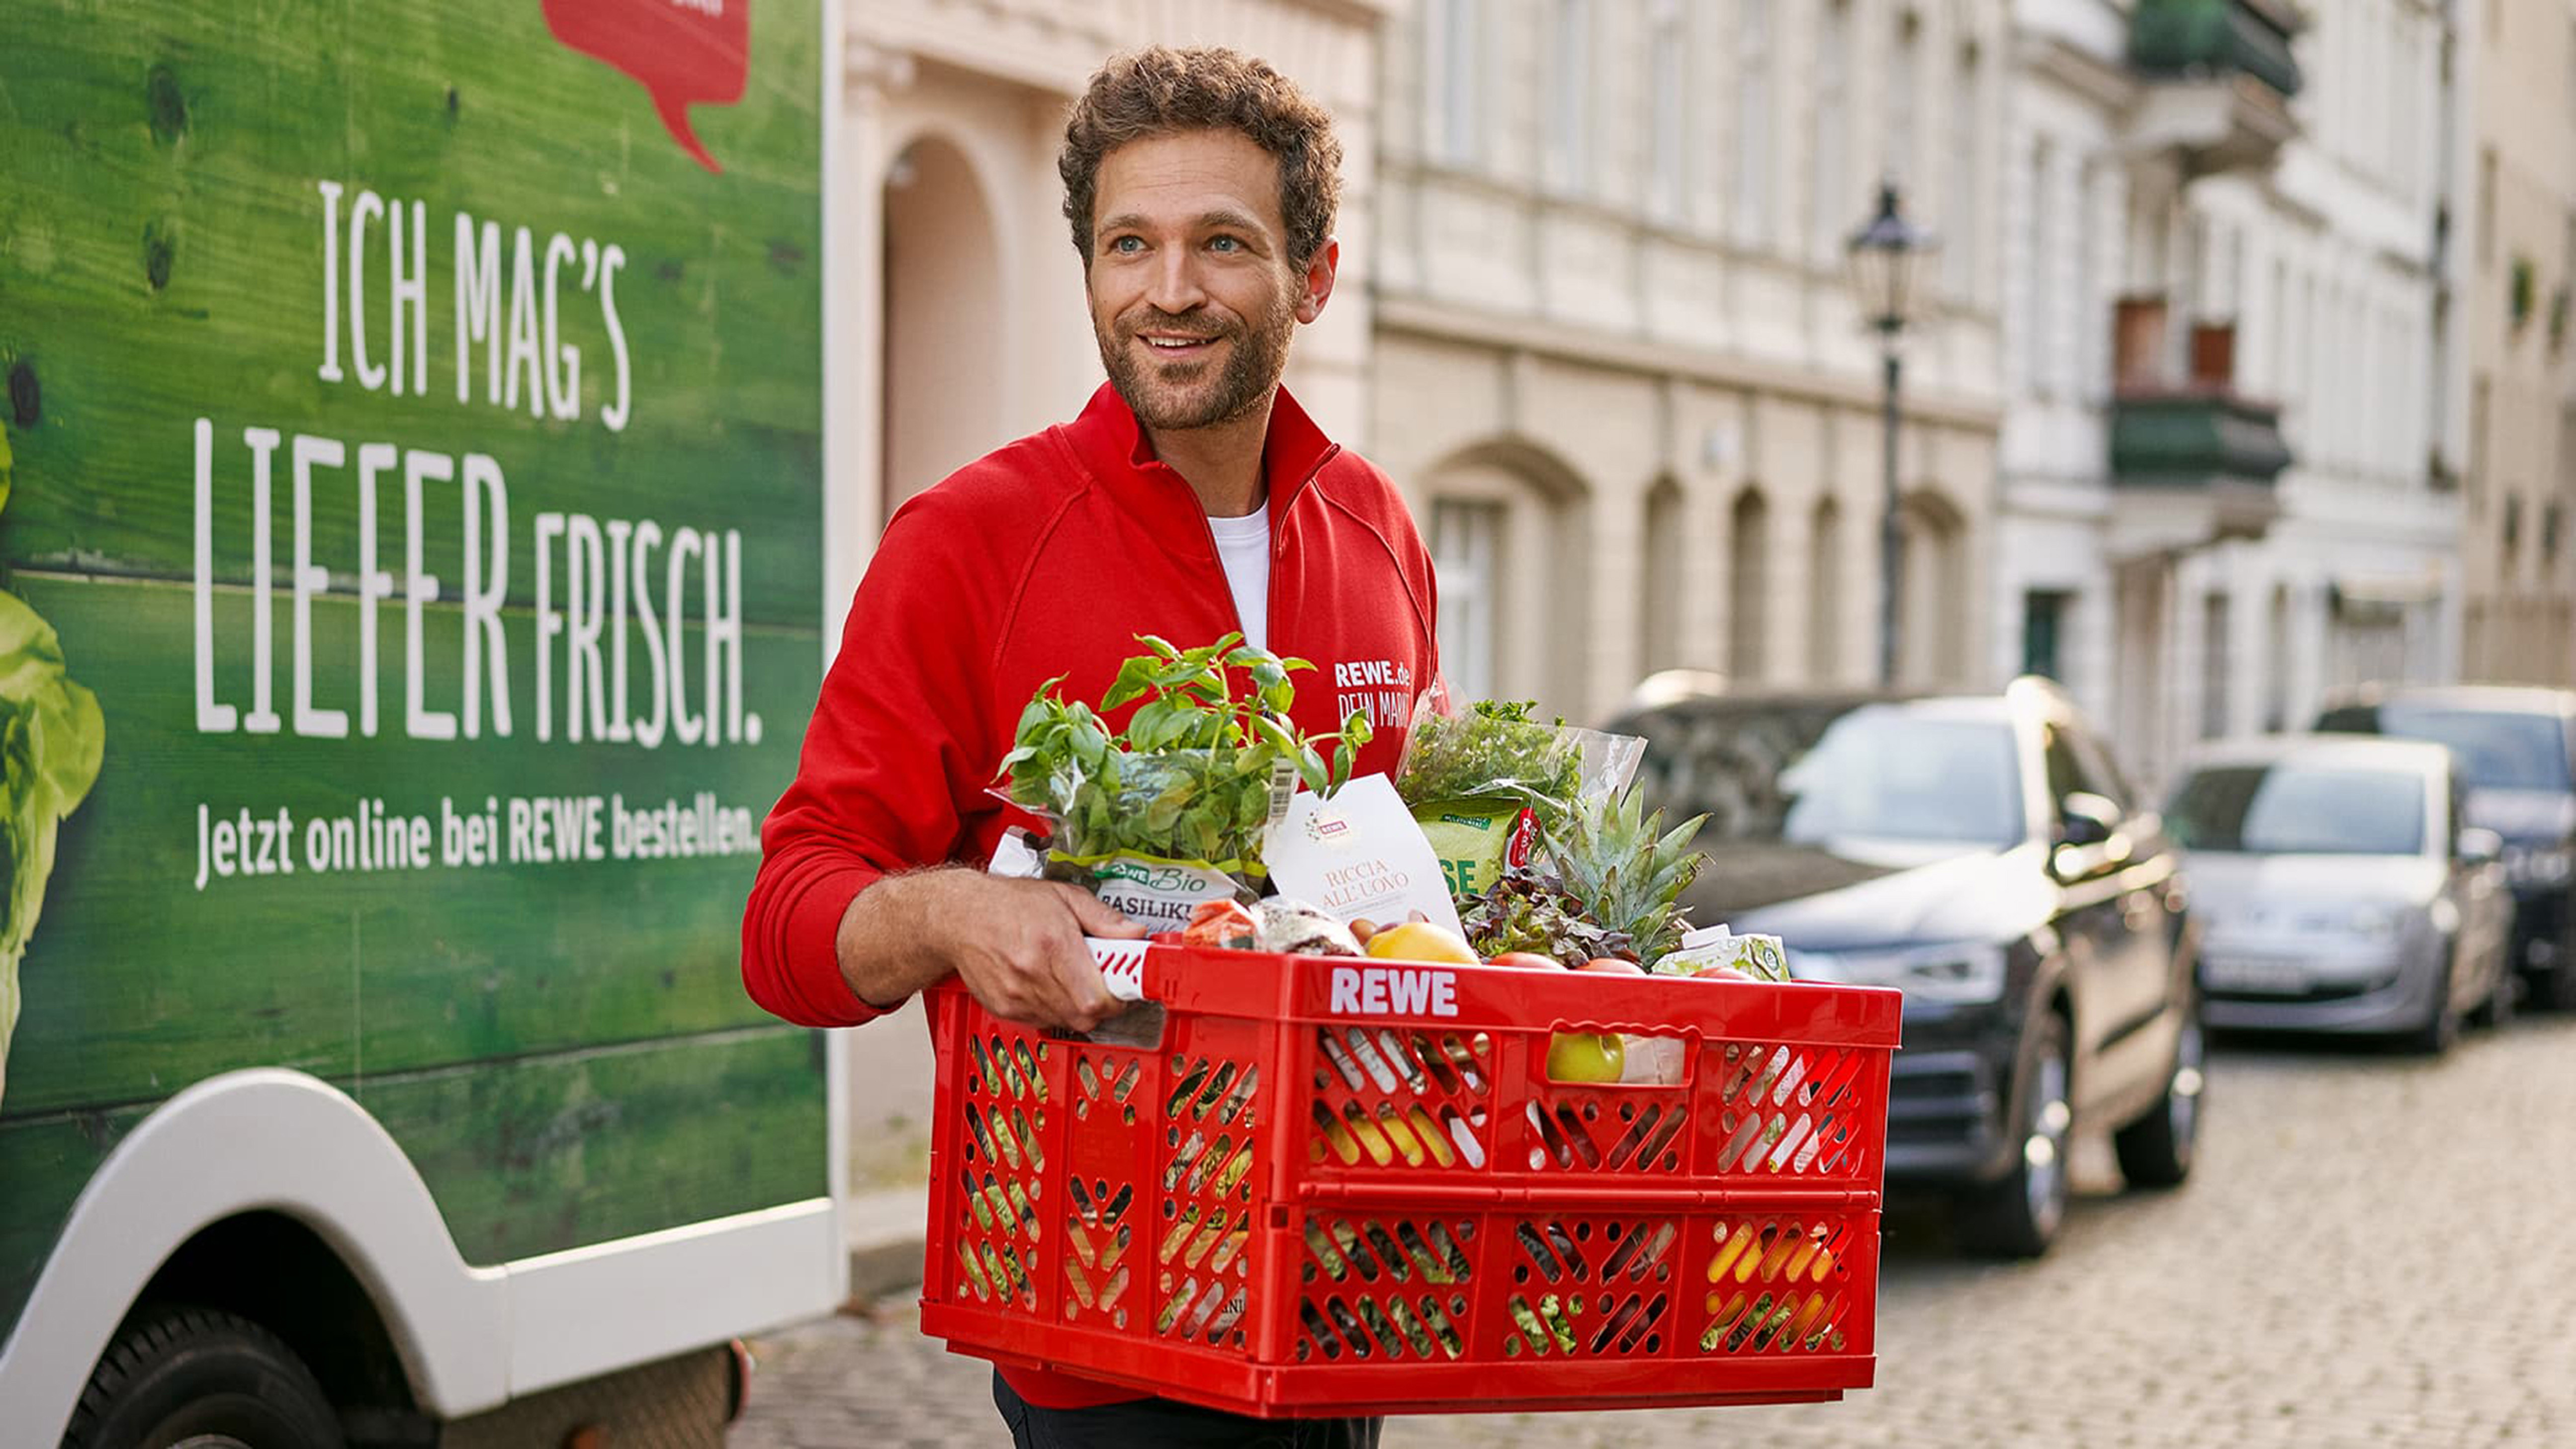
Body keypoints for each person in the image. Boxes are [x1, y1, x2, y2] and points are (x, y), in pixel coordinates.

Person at [741, 45, 1437, 1449]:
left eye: (1222, 244)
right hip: (1101, 1311)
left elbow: (1415, 906)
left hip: (1347, 1301)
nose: (1168, 289)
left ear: (1315, 277)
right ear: (1090, 272)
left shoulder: (1377, 530)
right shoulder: (970, 542)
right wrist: (956, 909)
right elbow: (787, 923)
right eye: (1131, 243)